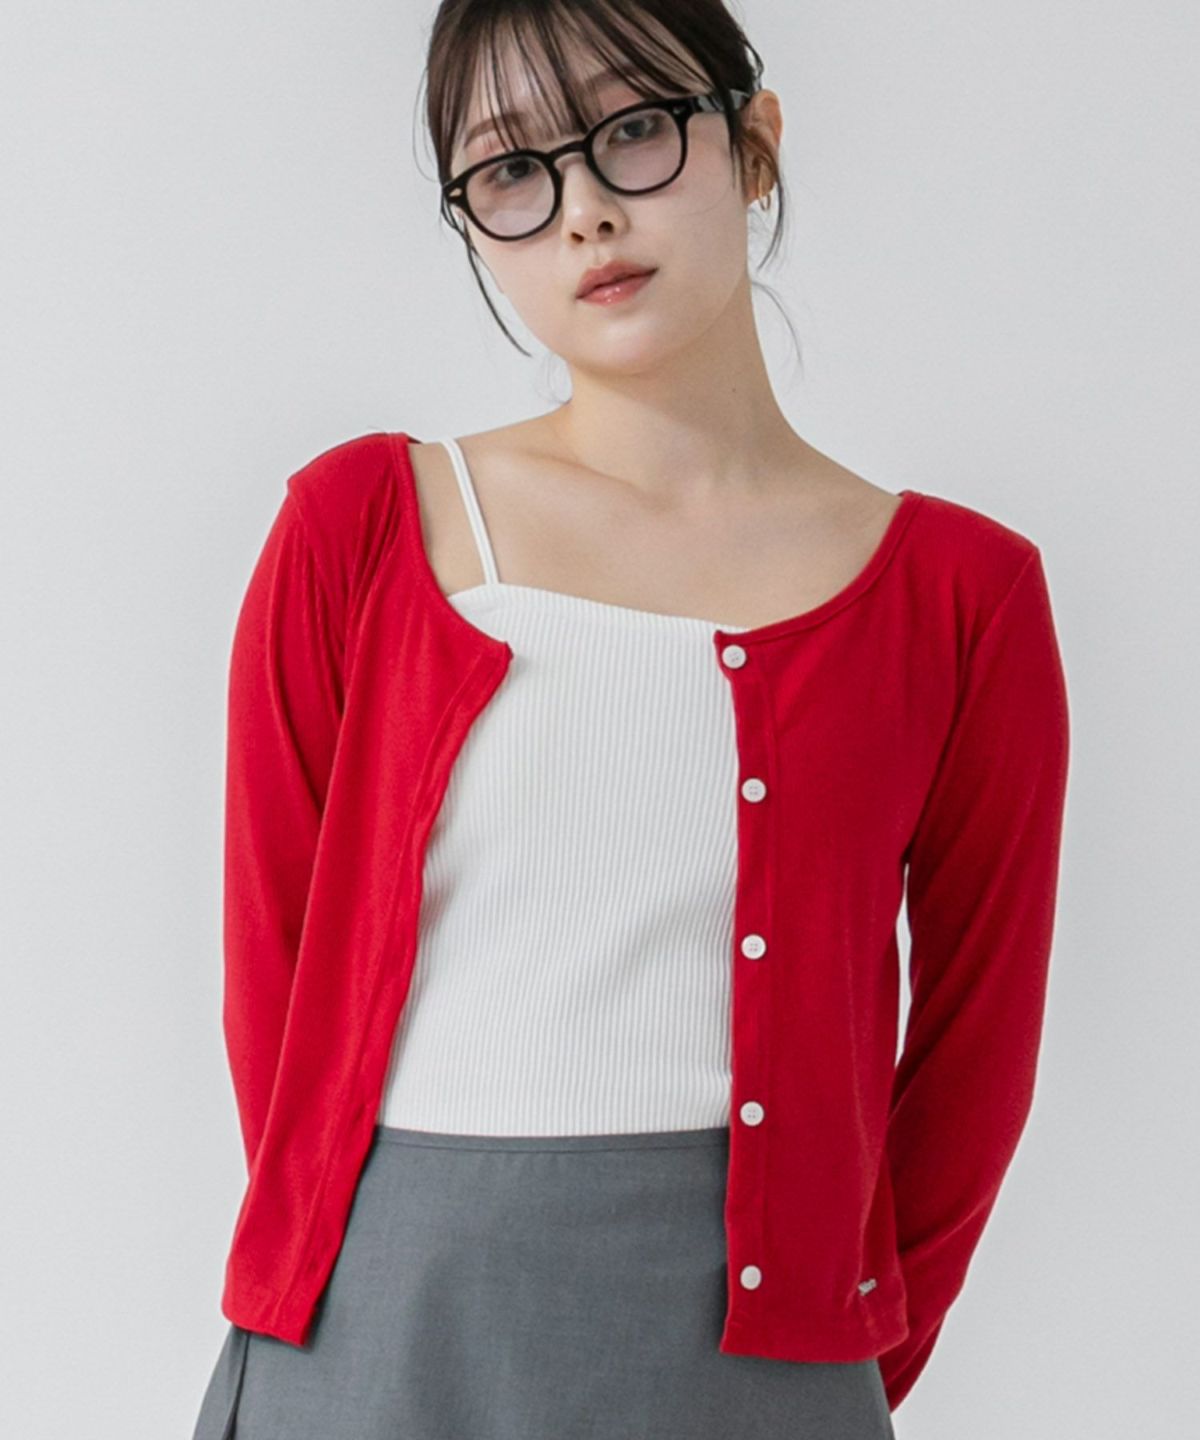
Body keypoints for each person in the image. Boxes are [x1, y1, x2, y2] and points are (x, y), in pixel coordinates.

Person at [192, 2, 1071, 1437]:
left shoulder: (962, 597)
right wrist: (355, 1269)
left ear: (755, 143)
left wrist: (831, 1367)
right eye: (511, 172)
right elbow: (274, 980)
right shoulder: (363, 527)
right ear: (472, 224)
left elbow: (976, 1056)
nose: (585, 213)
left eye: (636, 129)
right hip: (384, 1324)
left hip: (754, 1352)